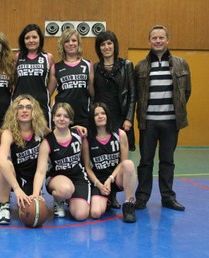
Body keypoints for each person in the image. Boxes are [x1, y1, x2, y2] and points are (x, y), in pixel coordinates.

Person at [135, 25, 191, 211]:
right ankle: (142, 197)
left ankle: (167, 197)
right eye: (154, 38)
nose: (158, 41)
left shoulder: (181, 64)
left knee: (167, 161)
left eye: (161, 38)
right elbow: (137, 95)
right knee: (145, 162)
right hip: (148, 123)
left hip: (171, 122)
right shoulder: (141, 67)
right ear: (149, 41)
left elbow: (186, 92)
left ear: (167, 40)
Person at [93, 30, 136, 209]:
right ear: (99, 48)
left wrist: (128, 118)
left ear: (114, 45)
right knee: (102, 156)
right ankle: (104, 191)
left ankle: (118, 194)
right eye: (102, 44)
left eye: (109, 43)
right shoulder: (95, 67)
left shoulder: (126, 65)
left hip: (119, 117)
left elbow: (133, 94)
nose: (106, 47)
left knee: (119, 157)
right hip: (100, 118)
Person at [0, 94, 50, 225]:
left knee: (32, 206)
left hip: (33, 177)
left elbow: (60, 134)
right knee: (3, 167)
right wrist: (17, 189)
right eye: (20, 107)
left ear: (34, 111)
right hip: (14, 177)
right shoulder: (9, 133)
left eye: (28, 107)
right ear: (15, 112)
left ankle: (36, 192)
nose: (24, 110)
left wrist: (75, 130)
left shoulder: (41, 130)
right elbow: (0, 160)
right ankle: (4, 205)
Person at [32, 103, 90, 221]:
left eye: (66, 116)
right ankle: (58, 201)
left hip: (78, 177)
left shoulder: (79, 134)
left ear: (71, 120)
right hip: (56, 179)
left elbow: (86, 161)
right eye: (58, 115)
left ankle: (69, 199)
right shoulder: (47, 142)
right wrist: (35, 193)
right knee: (65, 189)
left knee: (81, 215)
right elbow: (40, 171)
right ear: (53, 118)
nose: (62, 118)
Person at [82, 102, 137, 223]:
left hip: (115, 178)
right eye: (96, 114)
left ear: (108, 115)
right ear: (92, 118)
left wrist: (110, 179)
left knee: (129, 164)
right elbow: (87, 167)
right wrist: (99, 184)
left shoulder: (120, 134)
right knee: (95, 213)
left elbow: (123, 163)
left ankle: (129, 204)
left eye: (103, 113)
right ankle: (107, 198)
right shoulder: (88, 138)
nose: (100, 116)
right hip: (99, 180)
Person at [48, 28, 94, 127]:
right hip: (62, 116)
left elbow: (92, 92)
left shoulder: (88, 64)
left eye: (74, 40)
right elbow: (48, 94)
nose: (70, 43)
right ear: (62, 45)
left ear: (78, 43)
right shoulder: (56, 67)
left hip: (82, 114)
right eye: (67, 41)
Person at [13, 24, 54, 127]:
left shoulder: (48, 57)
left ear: (40, 39)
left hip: (41, 104)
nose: (31, 40)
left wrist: (44, 95)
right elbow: (13, 79)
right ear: (23, 40)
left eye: (34, 37)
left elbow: (52, 81)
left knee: (44, 136)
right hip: (21, 105)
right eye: (27, 38)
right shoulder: (17, 57)